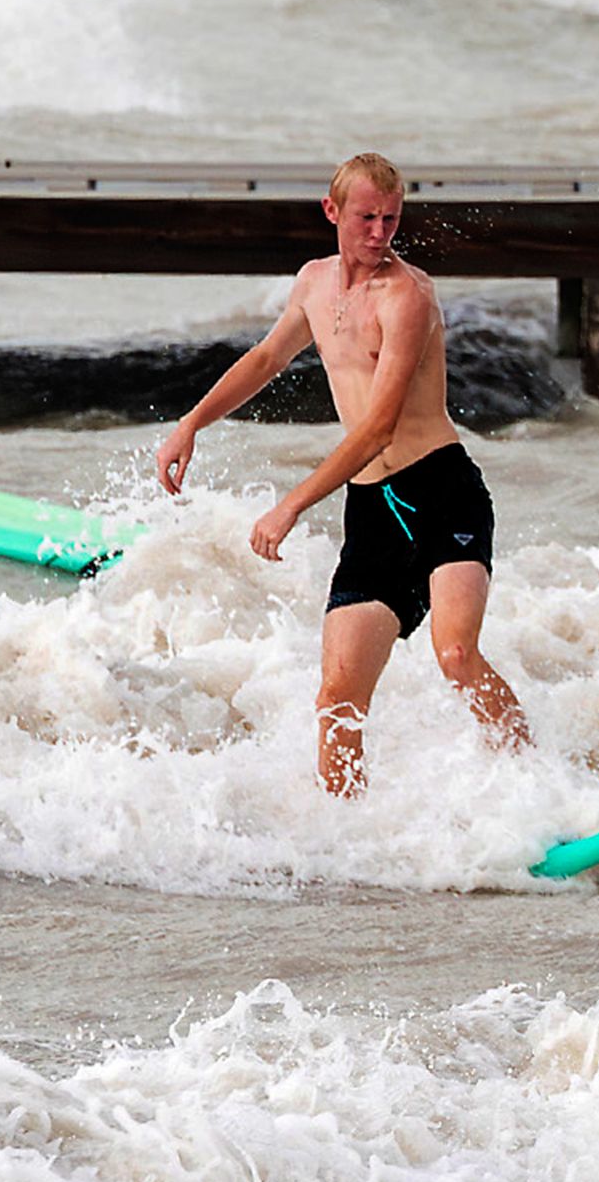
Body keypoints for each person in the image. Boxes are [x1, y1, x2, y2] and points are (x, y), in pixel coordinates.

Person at [156, 151, 530, 797]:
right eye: (367, 217)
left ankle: (532, 782)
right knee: (338, 696)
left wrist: (291, 505)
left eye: (391, 219)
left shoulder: (407, 298)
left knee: (456, 654)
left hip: (442, 493)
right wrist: (192, 423)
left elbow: (379, 426)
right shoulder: (313, 282)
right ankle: (345, 831)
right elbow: (268, 357)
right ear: (332, 211)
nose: (380, 233)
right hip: (374, 510)